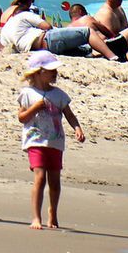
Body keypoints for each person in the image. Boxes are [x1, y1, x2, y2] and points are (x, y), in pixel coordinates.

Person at [15, 50, 85, 229]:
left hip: (55, 141)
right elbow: (22, 118)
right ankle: (35, 217)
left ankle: (52, 212)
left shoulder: (59, 95)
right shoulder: (28, 93)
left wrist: (77, 128)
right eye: (51, 70)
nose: (55, 74)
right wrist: (35, 108)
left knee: (55, 180)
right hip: (36, 141)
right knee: (40, 177)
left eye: (56, 70)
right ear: (39, 72)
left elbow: (69, 115)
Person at [0, 0, 119, 59]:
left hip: (40, 50)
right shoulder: (24, 15)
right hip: (47, 40)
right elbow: (47, 27)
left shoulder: (6, 29)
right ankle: (113, 57)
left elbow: (6, 46)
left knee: (83, 52)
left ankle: (103, 52)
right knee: (87, 32)